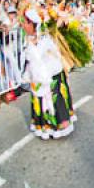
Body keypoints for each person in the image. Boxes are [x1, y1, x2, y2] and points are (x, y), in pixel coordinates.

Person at [20, 9, 75, 139]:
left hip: (50, 75)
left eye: (26, 23)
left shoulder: (45, 39)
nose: (23, 26)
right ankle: (45, 127)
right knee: (40, 102)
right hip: (37, 77)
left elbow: (43, 57)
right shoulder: (26, 39)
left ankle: (58, 126)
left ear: (33, 24)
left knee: (53, 100)